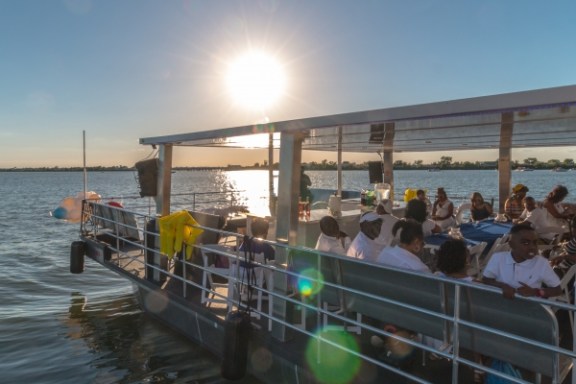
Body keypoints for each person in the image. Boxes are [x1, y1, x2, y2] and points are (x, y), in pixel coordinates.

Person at [482, 224, 561, 299]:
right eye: (525, 243)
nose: (532, 247)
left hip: (529, 307)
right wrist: (502, 286)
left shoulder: (542, 263)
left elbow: (557, 290)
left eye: (535, 242)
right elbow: (486, 280)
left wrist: (535, 292)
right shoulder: (498, 258)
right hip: (500, 303)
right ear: (512, 245)